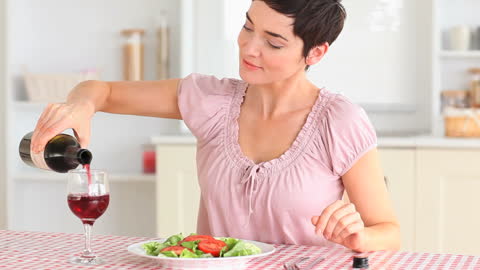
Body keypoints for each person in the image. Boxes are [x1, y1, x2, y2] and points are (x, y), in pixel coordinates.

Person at [30, 0, 400, 252]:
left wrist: (360, 238)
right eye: (247, 27)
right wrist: (79, 105)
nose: (249, 48)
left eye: (273, 43)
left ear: (315, 52)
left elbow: (388, 231)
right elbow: (102, 90)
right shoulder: (211, 101)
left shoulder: (338, 121)